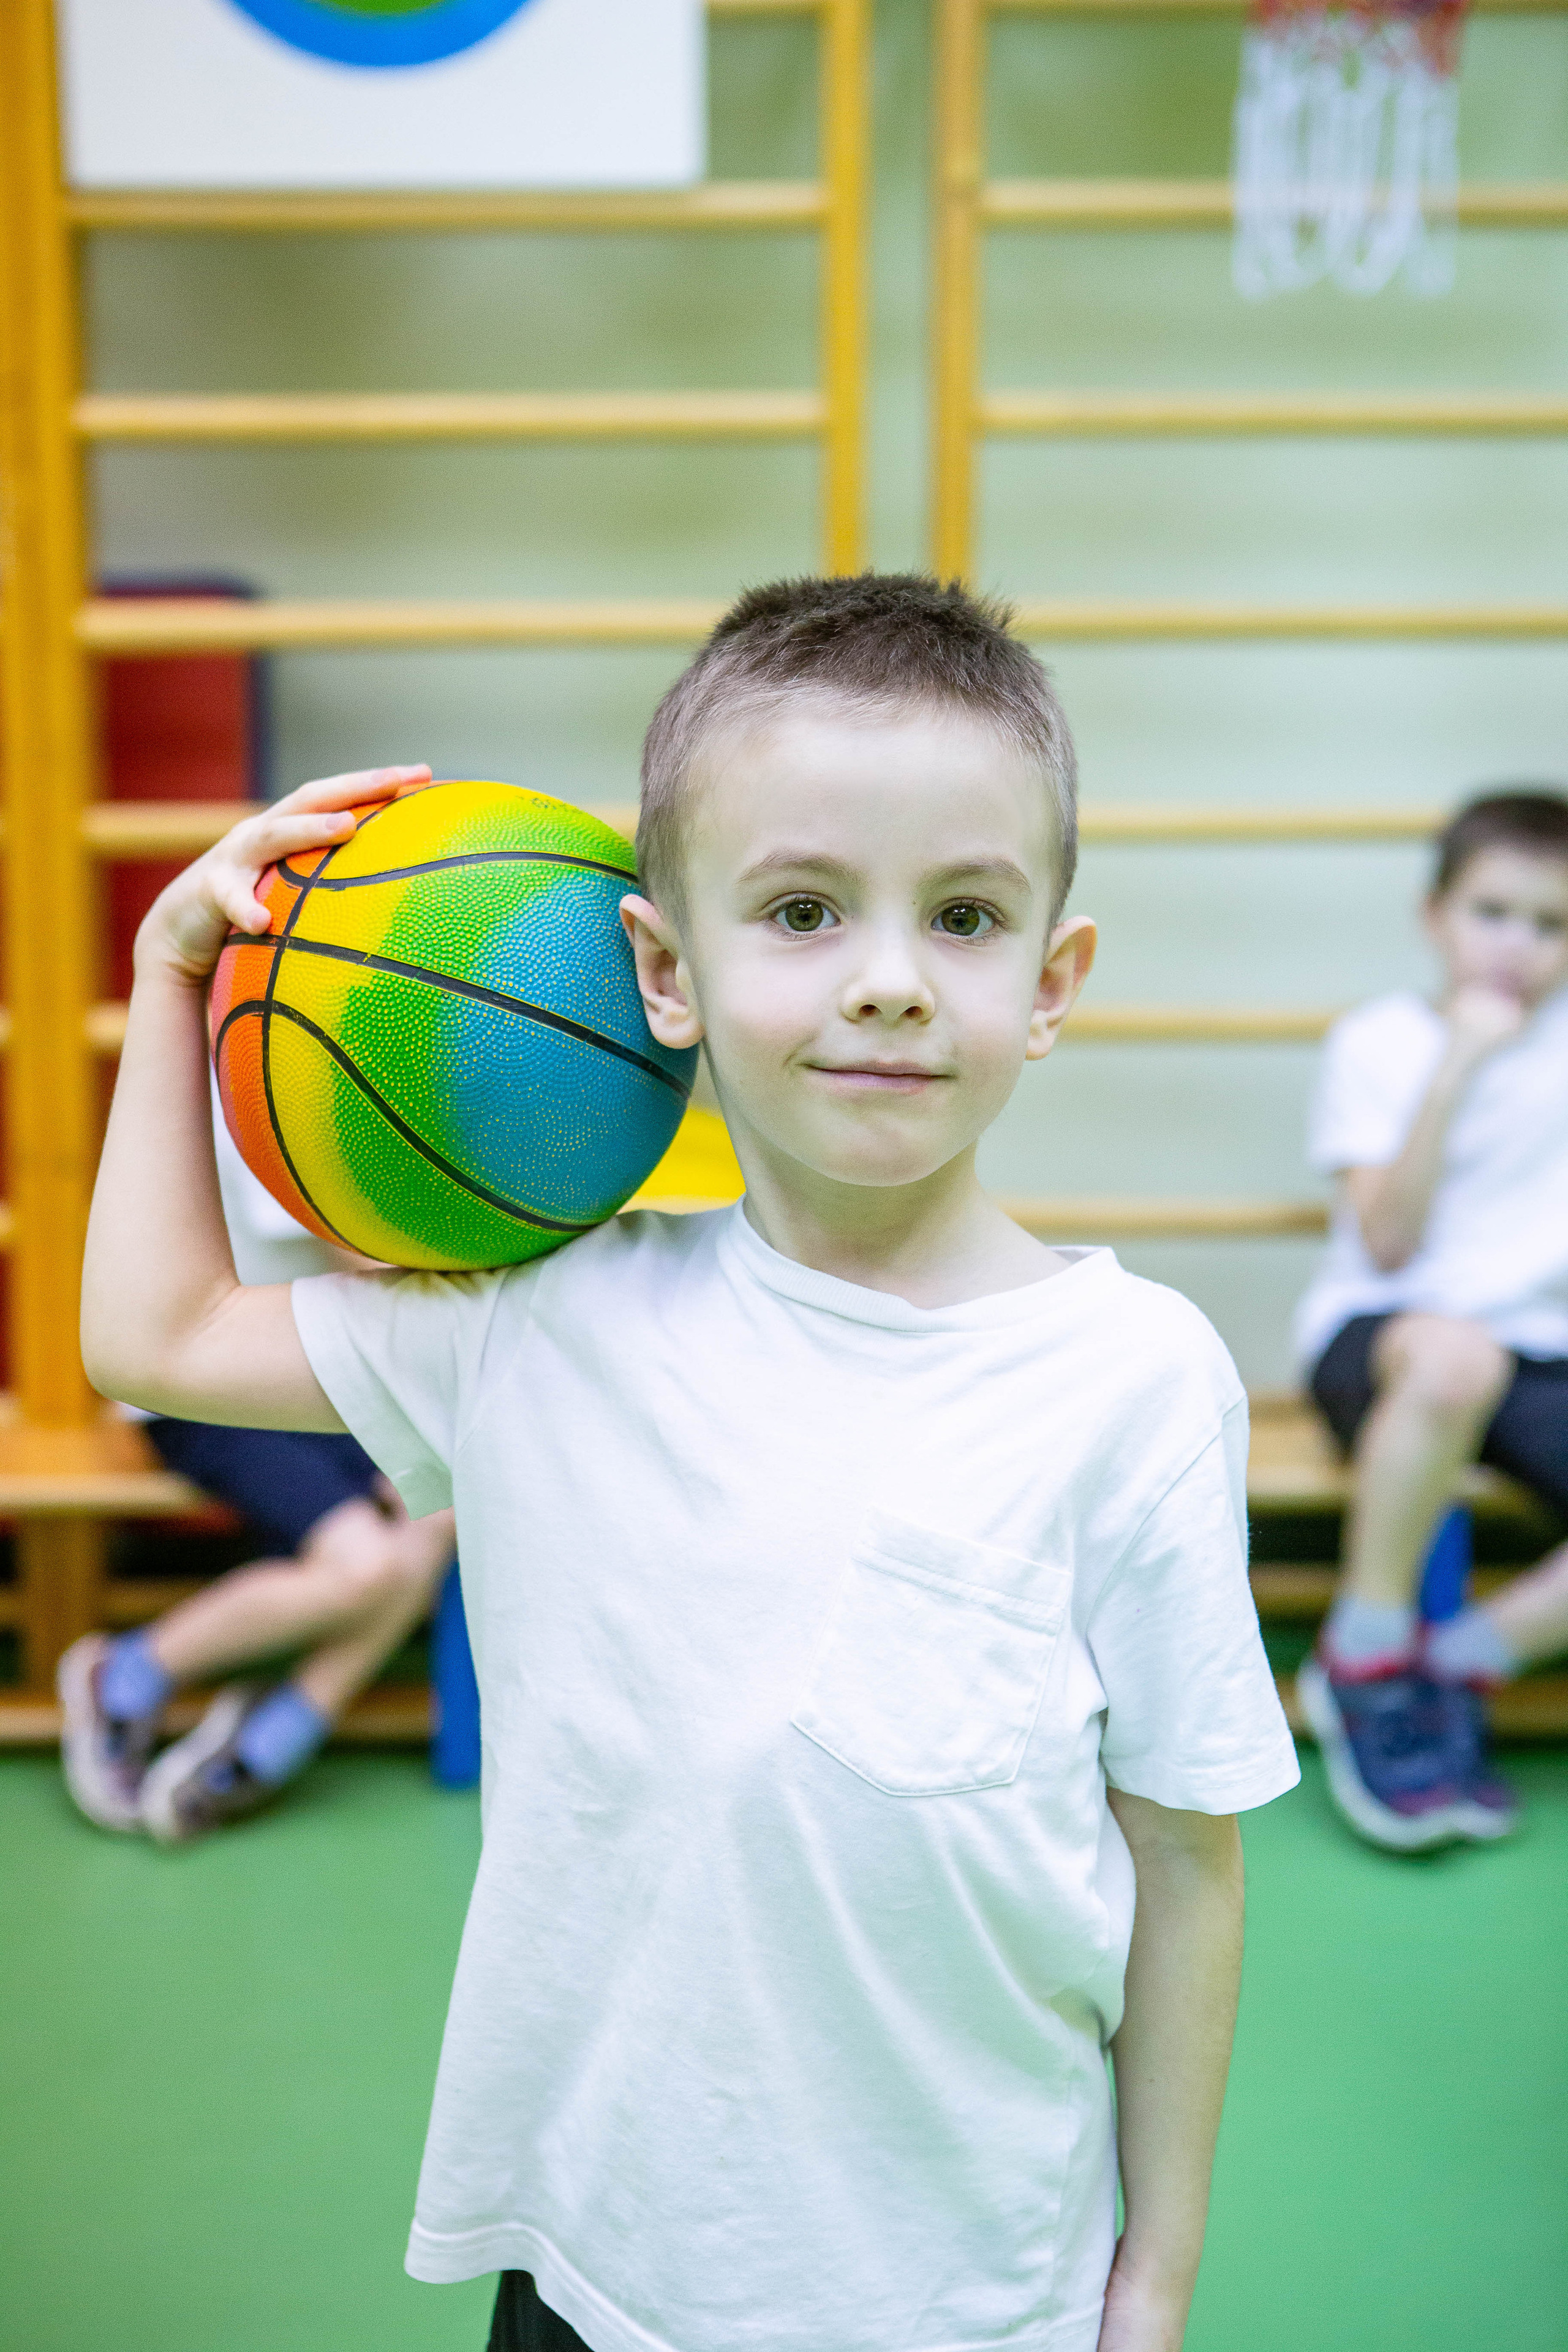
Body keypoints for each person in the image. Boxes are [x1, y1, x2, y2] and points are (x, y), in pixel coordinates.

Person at [81, 575, 1298, 2352]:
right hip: (591, 2273)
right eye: (802, 910)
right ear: (666, 970)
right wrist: (173, 966)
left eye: (963, 918)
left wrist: (1156, 2289)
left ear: (1052, 985)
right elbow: (159, 1336)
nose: (887, 981)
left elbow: (1187, 1868)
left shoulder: (1133, 1381)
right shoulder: (542, 1321)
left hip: (971, 2300)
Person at [59, 1082, 456, 1844]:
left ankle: (282, 1711)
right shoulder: (268, 1069)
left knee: (445, 1511)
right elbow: (376, 1254)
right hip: (204, 1387)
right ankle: (128, 1673)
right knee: (366, 1567)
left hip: (320, 1382)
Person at [1294, 788, 1568, 1852]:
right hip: (1391, 1337)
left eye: (1550, 927)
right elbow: (1390, 1243)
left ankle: (1449, 1667)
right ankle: (1365, 1651)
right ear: (1435, 916)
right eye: (1494, 913)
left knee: (1483, 1357)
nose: (1518, 946)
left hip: (1533, 1351)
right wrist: (1460, 1062)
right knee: (1455, 1359)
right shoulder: (1381, 1041)